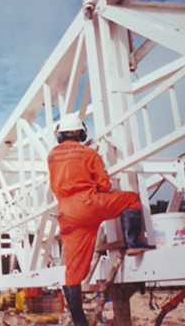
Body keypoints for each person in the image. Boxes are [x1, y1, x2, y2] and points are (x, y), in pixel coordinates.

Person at [47, 114, 155, 326]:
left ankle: (79, 320)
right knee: (131, 198)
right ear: (81, 132)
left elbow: (65, 166)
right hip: (88, 205)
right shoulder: (89, 153)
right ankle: (133, 242)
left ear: (60, 134)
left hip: (66, 214)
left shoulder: (51, 155)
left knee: (74, 271)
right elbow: (105, 185)